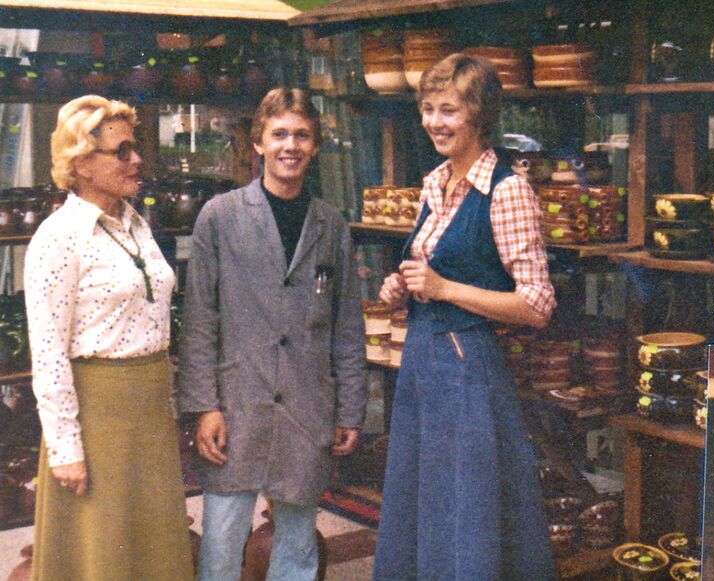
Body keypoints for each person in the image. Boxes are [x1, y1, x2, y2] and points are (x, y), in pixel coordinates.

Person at [372, 53, 558, 580]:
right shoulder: (435, 183)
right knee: (424, 506)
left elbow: (537, 305)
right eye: (428, 109)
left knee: (464, 512)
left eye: (448, 110)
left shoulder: (506, 191)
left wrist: (443, 287)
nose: (434, 122)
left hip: (466, 371)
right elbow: (433, 272)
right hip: (422, 364)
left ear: (479, 115)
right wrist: (402, 288)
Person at [178, 87, 367, 581]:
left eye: (301, 135)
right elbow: (199, 320)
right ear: (258, 143)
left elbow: (347, 326)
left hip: (307, 406)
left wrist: (349, 408)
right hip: (236, 404)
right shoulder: (220, 217)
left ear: (315, 146)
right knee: (222, 541)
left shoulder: (330, 224)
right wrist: (204, 406)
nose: (290, 146)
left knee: (298, 545)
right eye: (279, 134)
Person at [23, 95, 193, 581]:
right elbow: (48, 352)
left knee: (152, 552)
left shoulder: (135, 224)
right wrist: (66, 448)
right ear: (81, 164)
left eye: (135, 148)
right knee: (102, 555)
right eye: (121, 151)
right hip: (98, 420)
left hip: (150, 413)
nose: (136, 160)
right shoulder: (58, 237)